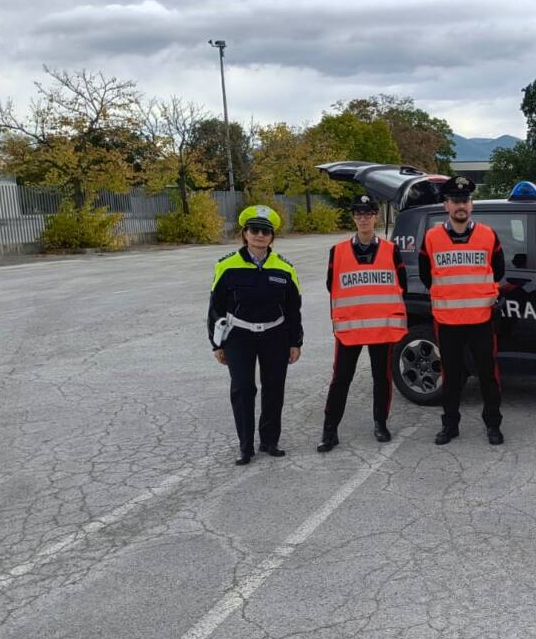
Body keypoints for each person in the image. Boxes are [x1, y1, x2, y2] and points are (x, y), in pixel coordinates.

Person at [208, 205, 302, 465]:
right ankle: (245, 446)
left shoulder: (284, 268)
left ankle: (269, 441)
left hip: (275, 335)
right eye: (254, 230)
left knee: (274, 390)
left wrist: (295, 341)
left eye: (265, 231)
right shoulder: (226, 266)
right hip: (239, 336)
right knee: (243, 390)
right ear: (245, 234)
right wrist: (217, 344)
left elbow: (293, 309)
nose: (260, 235)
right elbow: (215, 308)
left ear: (272, 237)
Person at [418, 175, 505, 446]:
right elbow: (425, 275)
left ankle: (493, 424)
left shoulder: (488, 235)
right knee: (452, 376)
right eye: (455, 200)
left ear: (472, 204)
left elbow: (498, 271)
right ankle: (450, 425)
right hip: (447, 321)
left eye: (465, 200)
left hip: (481, 319)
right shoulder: (432, 238)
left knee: (488, 375)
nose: (460, 206)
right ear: (446, 205)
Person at [317, 193, 408, 452]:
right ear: (353, 217)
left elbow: (402, 284)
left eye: (368, 213)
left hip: (382, 328)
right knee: (341, 379)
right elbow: (330, 285)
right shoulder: (338, 251)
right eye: (358, 214)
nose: (363, 218)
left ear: (376, 217)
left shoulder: (392, 250)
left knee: (382, 378)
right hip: (350, 328)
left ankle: (381, 423)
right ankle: (329, 431)